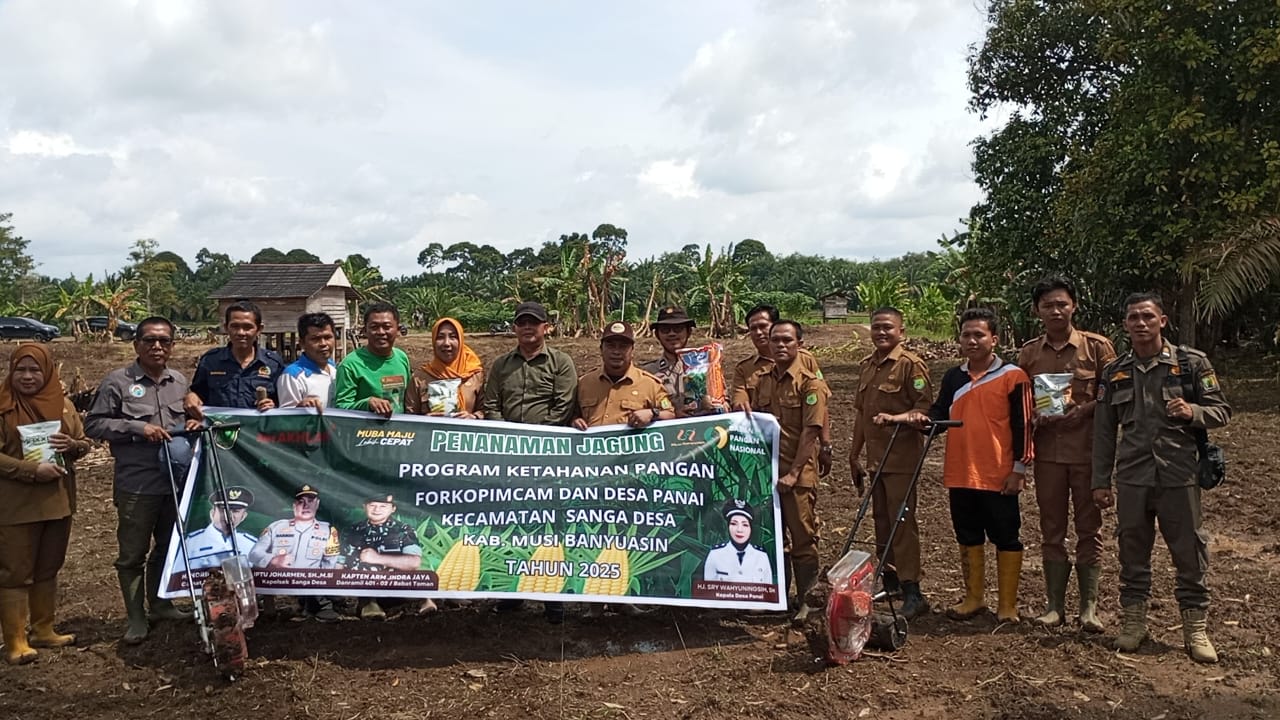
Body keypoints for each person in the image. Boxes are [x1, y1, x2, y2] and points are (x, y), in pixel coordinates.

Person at [1093, 293, 1230, 663]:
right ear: (1125, 325)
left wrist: (1193, 411)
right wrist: (1100, 481)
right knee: (1132, 551)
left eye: (1147, 316)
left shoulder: (1191, 364)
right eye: (1133, 317)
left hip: (1179, 474)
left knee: (1189, 552)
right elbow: (1104, 432)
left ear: (1162, 321)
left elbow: (1222, 411)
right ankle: (1134, 623)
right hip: (1134, 476)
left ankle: (1195, 629)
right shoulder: (1114, 372)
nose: (1140, 323)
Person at [881, 307, 1034, 624]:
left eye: (979, 334)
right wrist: (920, 421)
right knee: (968, 535)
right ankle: (974, 598)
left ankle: (1007, 604)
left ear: (994, 338)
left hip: (999, 473)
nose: (972, 340)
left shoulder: (1013, 377)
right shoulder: (954, 377)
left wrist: (1019, 469)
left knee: (1006, 536)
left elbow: (1025, 426)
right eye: (966, 335)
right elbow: (938, 415)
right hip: (961, 472)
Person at [86, 316, 203, 644]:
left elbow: (188, 423)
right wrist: (137, 428)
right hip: (137, 483)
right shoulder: (118, 382)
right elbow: (93, 425)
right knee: (132, 554)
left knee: (167, 547)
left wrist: (194, 425)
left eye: (164, 341)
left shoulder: (179, 382)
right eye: (149, 340)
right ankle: (136, 617)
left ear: (172, 346)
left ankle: (161, 604)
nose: (157, 346)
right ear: (136, 344)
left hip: (174, 482)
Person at [1017, 277, 1116, 631]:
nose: (1056, 310)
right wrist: (1031, 415)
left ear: (1074, 306)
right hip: (1048, 456)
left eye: (1062, 303)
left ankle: (1089, 608)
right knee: (1051, 529)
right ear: (1037, 311)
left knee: (1090, 529)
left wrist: (1084, 410)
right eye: (1048, 305)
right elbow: (1018, 402)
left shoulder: (1098, 348)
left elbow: (1114, 396)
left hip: (1088, 453)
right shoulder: (1029, 353)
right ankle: (1054, 606)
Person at [481, 301, 577, 624]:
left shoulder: (561, 363)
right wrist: (510, 439)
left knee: (550, 528)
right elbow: (491, 404)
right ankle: (513, 590)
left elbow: (563, 408)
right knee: (512, 526)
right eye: (521, 322)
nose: (527, 328)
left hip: (548, 459)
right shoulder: (500, 365)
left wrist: (532, 440)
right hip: (508, 458)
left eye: (533, 323)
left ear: (545, 327)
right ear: (515, 328)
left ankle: (553, 598)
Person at [0, 344, 93, 664]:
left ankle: (43, 630)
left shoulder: (63, 405)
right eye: (20, 370)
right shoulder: (3, 407)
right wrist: (29, 470)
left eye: (34, 370)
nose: (27, 377)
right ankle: (15, 641)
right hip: (15, 506)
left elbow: (84, 443)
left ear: (48, 372)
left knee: (47, 568)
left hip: (58, 502)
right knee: (15, 573)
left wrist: (73, 445)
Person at [847, 307, 934, 619]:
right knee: (882, 523)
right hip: (876, 461)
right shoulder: (867, 366)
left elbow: (924, 413)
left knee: (902, 524)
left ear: (901, 331)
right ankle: (891, 583)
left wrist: (895, 418)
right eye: (876, 327)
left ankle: (914, 592)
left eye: (888, 328)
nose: (881, 333)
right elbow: (861, 415)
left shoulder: (911, 366)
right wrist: (853, 454)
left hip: (901, 461)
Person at [745, 319, 828, 623]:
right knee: (773, 537)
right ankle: (777, 597)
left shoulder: (810, 384)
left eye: (787, 341)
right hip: (767, 472)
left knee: (803, 538)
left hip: (797, 474)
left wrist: (793, 474)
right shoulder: (763, 380)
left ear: (799, 344)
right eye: (775, 340)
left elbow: (811, 432)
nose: (780, 345)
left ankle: (809, 601)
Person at [731, 304, 834, 475]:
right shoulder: (744, 369)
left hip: (797, 451)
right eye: (753, 328)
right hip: (763, 453)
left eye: (763, 326)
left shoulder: (805, 359)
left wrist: (825, 444)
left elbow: (820, 405)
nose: (758, 332)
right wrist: (740, 404)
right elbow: (739, 399)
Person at [248, 484, 341, 622]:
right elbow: (254, 554)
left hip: (311, 584)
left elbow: (329, 564)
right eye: (301, 502)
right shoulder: (276, 527)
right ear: (293, 505)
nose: (306, 506)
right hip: (278, 582)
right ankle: (269, 607)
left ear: (317, 504)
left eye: (310, 501)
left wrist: (319, 586)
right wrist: (273, 560)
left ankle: (317, 604)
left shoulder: (328, 530)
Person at [185, 301, 284, 419]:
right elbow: (198, 394)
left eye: (248, 327)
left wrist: (273, 406)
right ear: (226, 327)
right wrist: (191, 397)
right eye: (235, 326)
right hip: (220, 431)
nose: (241, 333)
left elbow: (285, 404)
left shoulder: (273, 363)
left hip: (257, 433)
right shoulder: (210, 361)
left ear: (259, 329)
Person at [572, 321, 675, 431]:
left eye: (623, 347)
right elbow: (573, 415)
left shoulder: (650, 385)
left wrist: (652, 413)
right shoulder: (584, 383)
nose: (616, 352)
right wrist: (574, 421)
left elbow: (670, 415)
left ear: (632, 351)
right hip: (592, 446)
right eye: (611, 346)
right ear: (601, 349)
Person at [342, 494, 423, 621]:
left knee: (418, 597)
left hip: (394, 586)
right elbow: (340, 561)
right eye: (372, 505)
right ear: (364, 507)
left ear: (393, 508)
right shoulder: (352, 530)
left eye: (383, 506)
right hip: (359, 586)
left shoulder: (404, 530)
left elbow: (414, 562)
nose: (376, 509)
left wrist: (377, 558)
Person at [334, 302, 420, 417]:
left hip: (400, 432)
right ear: (365, 331)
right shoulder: (350, 365)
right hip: (365, 432)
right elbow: (340, 408)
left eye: (387, 327)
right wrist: (367, 403)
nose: (381, 332)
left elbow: (408, 399)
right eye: (374, 327)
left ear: (398, 329)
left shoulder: (402, 358)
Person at [639, 306, 727, 416]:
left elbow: (725, 403)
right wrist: (672, 414)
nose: (672, 334)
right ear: (657, 335)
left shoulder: (707, 366)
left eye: (678, 329)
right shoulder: (648, 373)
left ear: (689, 332)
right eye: (665, 330)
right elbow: (642, 410)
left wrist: (719, 406)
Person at [417, 317, 484, 418]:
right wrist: (426, 420)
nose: (446, 343)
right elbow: (409, 415)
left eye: (453, 337)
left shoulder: (475, 375)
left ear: (461, 341)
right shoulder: (420, 377)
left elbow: (486, 410)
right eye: (440, 337)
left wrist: (473, 417)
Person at [177, 487, 258, 571]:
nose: (228, 516)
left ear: (243, 516)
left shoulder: (251, 544)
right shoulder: (191, 542)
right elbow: (177, 577)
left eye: (235, 511)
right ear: (212, 513)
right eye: (223, 509)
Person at [703, 499, 772, 584]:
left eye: (745, 525)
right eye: (734, 524)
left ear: (751, 528)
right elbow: (708, 591)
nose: (739, 530)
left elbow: (768, 591)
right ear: (728, 526)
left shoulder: (761, 557)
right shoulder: (715, 555)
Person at [277, 313, 338, 410]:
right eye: (315, 339)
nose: (323, 344)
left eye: (327, 337)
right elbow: (286, 418)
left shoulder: (335, 369)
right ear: (302, 343)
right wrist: (300, 407)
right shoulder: (292, 376)